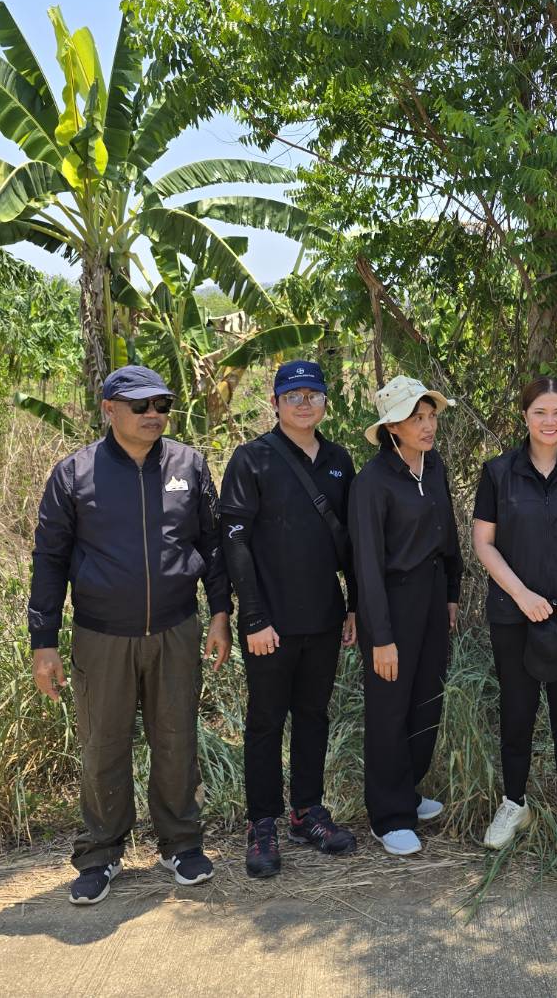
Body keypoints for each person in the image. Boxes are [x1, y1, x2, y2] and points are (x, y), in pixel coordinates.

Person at [28, 366, 232, 906]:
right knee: (103, 746)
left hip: (176, 628)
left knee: (177, 740)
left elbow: (212, 546)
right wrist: (43, 641)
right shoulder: (75, 474)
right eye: (140, 405)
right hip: (101, 635)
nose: (152, 415)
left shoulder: (189, 465)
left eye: (161, 405)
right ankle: (101, 853)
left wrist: (220, 613)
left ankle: (181, 844)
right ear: (109, 409)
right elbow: (49, 559)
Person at [220, 359, 359, 878]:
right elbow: (234, 542)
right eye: (293, 395)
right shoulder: (251, 459)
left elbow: (351, 542)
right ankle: (262, 824)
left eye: (313, 395)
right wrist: (253, 617)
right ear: (275, 403)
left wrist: (354, 606)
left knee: (313, 716)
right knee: (265, 721)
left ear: (324, 402)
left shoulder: (340, 461)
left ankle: (307, 812)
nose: (304, 403)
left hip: (323, 617)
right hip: (269, 623)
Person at [472, 377, 557, 851]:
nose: (550, 422)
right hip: (514, 614)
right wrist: (521, 594)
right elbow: (483, 543)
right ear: (525, 417)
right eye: (540, 412)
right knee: (517, 710)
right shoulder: (498, 472)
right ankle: (515, 804)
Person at [349, 376, 463, 856]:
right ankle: (388, 814)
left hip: (432, 597)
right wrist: (380, 636)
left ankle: (407, 791)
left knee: (425, 701)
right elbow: (367, 566)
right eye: (417, 418)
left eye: (431, 416)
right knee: (389, 709)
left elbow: (447, 532)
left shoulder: (433, 466)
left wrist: (452, 593)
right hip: (390, 603)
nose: (428, 426)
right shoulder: (372, 482)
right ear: (392, 427)